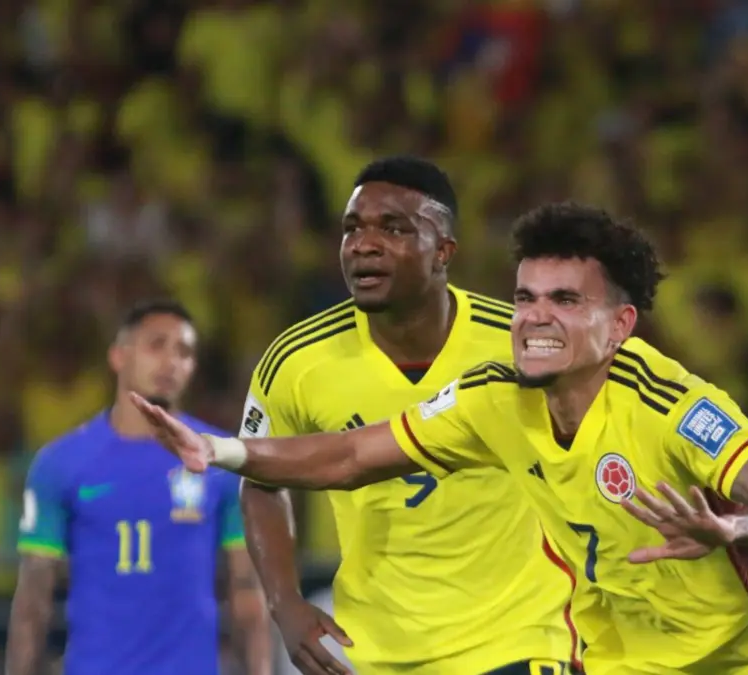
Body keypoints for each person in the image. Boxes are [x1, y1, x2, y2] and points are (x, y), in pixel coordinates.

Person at [132, 201, 748, 675]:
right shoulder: (493, 396)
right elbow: (351, 454)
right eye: (525, 298)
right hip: (625, 661)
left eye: (565, 300)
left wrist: (733, 526)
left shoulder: (669, 405)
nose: (536, 317)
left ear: (620, 326)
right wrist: (222, 451)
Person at [239, 156, 577, 675]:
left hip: (519, 638)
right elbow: (260, 478)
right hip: (376, 651)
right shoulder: (296, 361)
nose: (364, 244)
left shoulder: (519, 345)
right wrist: (284, 601)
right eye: (353, 228)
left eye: (393, 228)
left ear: (443, 251)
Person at [5, 300, 271, 675]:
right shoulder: (61, 463)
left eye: (184, 352)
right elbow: (33, 598)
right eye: (156, 345)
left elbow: (246, 590)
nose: (171, 362)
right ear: (118, 356)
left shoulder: (220, 461)